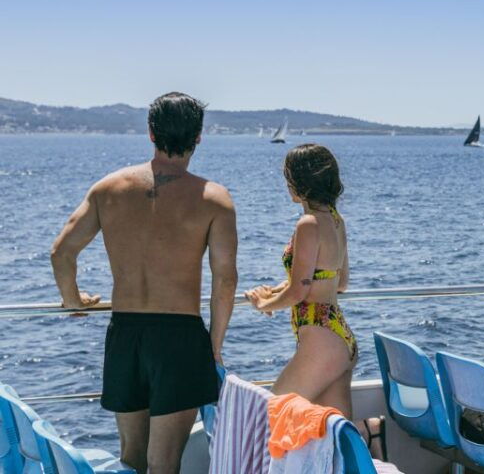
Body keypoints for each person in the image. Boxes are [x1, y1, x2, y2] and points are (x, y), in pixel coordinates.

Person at [50, 92, 238, 474]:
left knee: (131, 460)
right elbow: (225, 281)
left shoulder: (108, 189)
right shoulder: (214, 200)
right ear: (199, 136)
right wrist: (213, 347)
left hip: (126, 334)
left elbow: (62, 252)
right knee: (164, 464)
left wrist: (73, 301)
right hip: (180, 338)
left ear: (150, 132)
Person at [244, 143, 385, 459]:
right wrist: (279, 289)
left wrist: (263, 304)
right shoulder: (335, 219)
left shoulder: (307, 224)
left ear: (299, 182)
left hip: (321, 343)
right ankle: (370, 431)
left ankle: (370, 432)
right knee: (335, 437)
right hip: (340, 339)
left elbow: (298, 292)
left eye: (288, 177)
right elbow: (337, 280)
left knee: (269, 418)